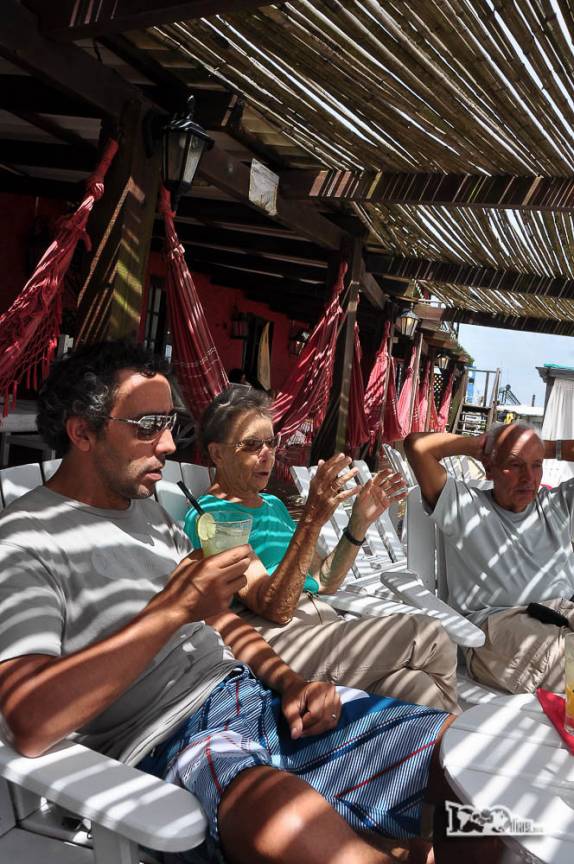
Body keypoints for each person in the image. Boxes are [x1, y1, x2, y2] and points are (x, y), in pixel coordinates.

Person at [0, 340, 481, 864]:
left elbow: (222, 621)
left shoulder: (146, 513)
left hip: (255, 699)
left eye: (172, 425)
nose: (166, 445)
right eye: (147, 426)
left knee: (467, 759)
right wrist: (169, 610)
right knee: (273, 809)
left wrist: (293, 682)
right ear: (82, 431)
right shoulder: (26, 540)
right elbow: (30, 720)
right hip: (168, 741)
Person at [184, 386, 459, 713]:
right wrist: (312, 520)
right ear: (217, 454)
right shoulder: (213, 517)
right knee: (428, 633)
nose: (267, 454)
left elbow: (323, 581)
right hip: (277, 646)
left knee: (417, 688)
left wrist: (357, 525)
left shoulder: (272, 504)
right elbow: (274, 607)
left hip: (324, 633)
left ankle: (426, 755)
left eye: (271, 443)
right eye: (252, 445)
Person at [405, 423, 574, 694]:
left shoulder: (556, 504)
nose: (528, 478)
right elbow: (416, 446)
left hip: (563, 612)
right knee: (565, 660)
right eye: (515, 465)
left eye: (536, 464)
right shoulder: (464, 506)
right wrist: (478, 445)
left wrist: (548, 447)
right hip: (498, 628)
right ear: (490, 468)